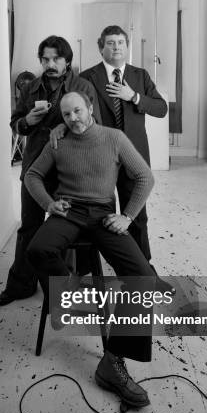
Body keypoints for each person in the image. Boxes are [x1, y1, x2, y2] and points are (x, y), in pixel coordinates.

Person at [24, 91, 161, 408]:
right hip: (68, 211)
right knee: (38, 250)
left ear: (90, 109)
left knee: (141, 276)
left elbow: (144, 176)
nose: (73, 119)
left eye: (78, 111)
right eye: (67, 115)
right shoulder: (58, 141)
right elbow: (32, 175)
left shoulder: (114, 138)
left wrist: (127, 216)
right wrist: (48, 204)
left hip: (102, 213)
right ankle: (70, 299)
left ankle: (112, 363)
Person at [0, 36, 100, 307]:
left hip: (69, 171)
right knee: (29, 227)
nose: (50, 64)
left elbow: (94, 124)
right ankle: (21, 285)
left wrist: (65, 126)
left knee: (65, 229)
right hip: (34, 170)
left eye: (56, 59)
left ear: (67, 60)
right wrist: (26, 122)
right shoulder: (30, 87)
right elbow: (15, 123)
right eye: (45, 59)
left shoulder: (82, 86)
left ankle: (64, 289)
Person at [79, 25, 168, 283]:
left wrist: (135, 97)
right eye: (110, 43)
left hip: (133, 156)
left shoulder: (140, 76)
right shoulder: (87, 77)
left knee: (137, 216)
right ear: (101, 47)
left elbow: (161, 108)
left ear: (127, 46)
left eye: (120, 42)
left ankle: (144, 271)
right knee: (97, 216)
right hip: (100, 158)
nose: (116, 47)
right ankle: (92, 271)